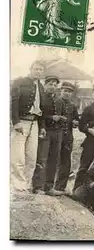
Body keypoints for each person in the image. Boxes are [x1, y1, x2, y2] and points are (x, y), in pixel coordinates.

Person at [11, 60, 46, 193]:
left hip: (35, 123)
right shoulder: (20, 82)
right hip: (22, 122)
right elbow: (13, 102)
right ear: (30, 69)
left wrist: (42, 126)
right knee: (18, 156)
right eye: (36, 68)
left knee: (31, 157)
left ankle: (25, 184)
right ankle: (17, 185)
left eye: (40, 69)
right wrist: (16, 122)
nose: (38, 71)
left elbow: (42, 107)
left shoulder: (41, 87)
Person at [31, 75, 61, 195]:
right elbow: (38, 114)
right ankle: (38, 187)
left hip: (56, 132)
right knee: (42, 159)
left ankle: (49, 187)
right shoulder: (40, 97)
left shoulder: (56, 99)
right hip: (44, 131)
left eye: (55, 85)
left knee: (53, 159)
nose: (53, 87)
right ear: (45, 85)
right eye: (50, 84)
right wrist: (51, 118)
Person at [52, 82, 79, 194]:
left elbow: (76, 119)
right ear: (60, 91)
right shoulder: (54, 102)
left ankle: (60, 187)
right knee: (53, 160)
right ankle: (49, 185)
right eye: (65, 91)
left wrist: (75, 122)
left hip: (67, 137)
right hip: (54, 135)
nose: (67, 93)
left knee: (66, 161)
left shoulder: (73, 106)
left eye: (69, 91)